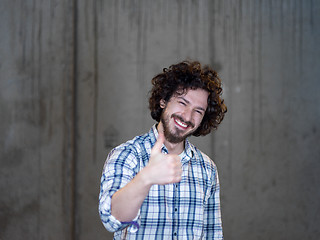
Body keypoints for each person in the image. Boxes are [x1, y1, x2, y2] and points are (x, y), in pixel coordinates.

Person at [99, 60, 227, 239]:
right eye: (182, 102)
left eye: (198, 111)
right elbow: (112, 219)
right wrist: (146, 178)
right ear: (163, 100)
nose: (187, 116)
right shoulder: (127, 155)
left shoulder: (207, 168)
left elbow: (213, 235)